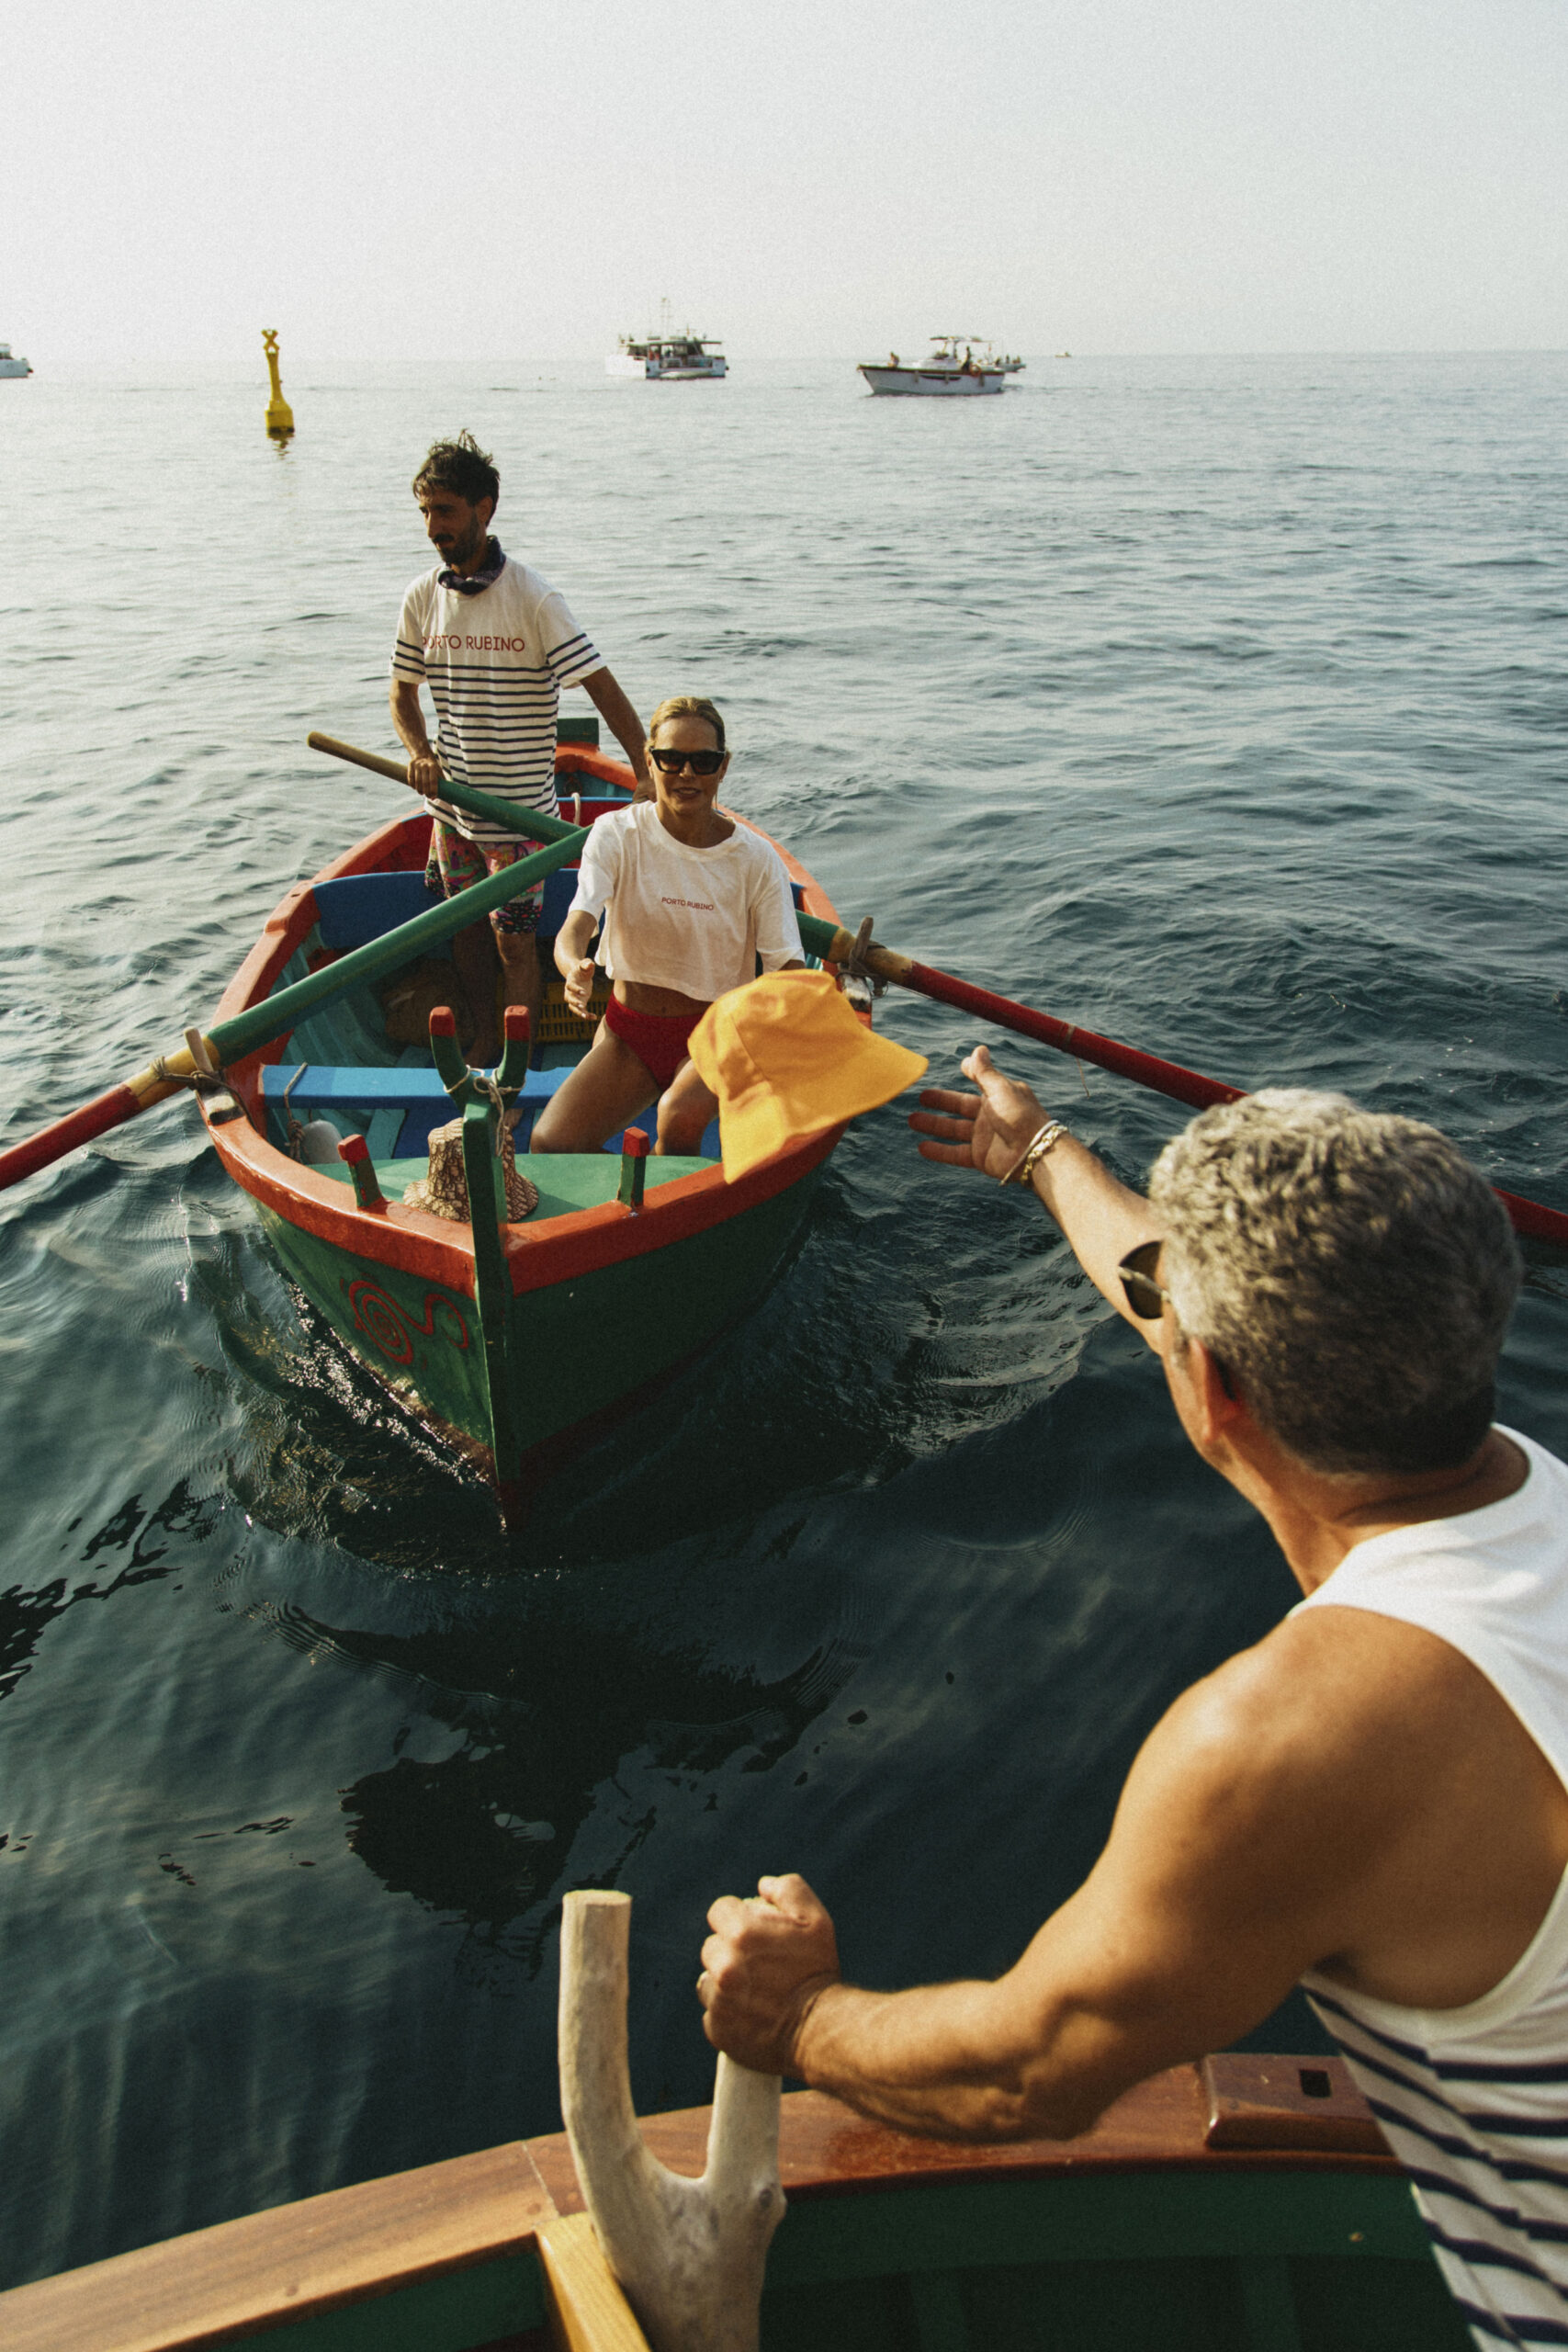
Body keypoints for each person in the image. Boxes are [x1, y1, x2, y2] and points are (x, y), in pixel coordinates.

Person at [699, 1054, 1568, 2347]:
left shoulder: (1293, 1739)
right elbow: (1179, 1297)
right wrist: (1038, 1149)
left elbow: (1028, 2072)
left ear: (1214, 1391)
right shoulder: (1506, 1488)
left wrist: (799, 2020)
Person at [389, 430, 650, 1063]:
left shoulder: (533, 600)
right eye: (424, 512)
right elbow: (401, 699)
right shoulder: (423, 597)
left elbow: (603, 690)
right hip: (452, 813)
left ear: (486, 508)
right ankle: (485, 1031)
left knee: (513, 944)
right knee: (464, 934)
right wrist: (420, 751)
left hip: (520, 822)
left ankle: (517, 1053)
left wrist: (647, 773)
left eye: (445, 511)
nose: (432, 528)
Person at [530, 697, 804, 1158]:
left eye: (704, 761)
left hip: (717, 1033)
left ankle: (661, 1208)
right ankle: (640, 1209)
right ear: (649, 761)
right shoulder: (615, 834)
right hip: (629, 1033)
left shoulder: (756, 860)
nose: (687, 774)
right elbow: (577, 924)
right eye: (671, 759)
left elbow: (785, 965)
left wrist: (814, 1008)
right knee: (551, 1143)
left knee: (677, 1116)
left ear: (723, 768)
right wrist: (571, 964)